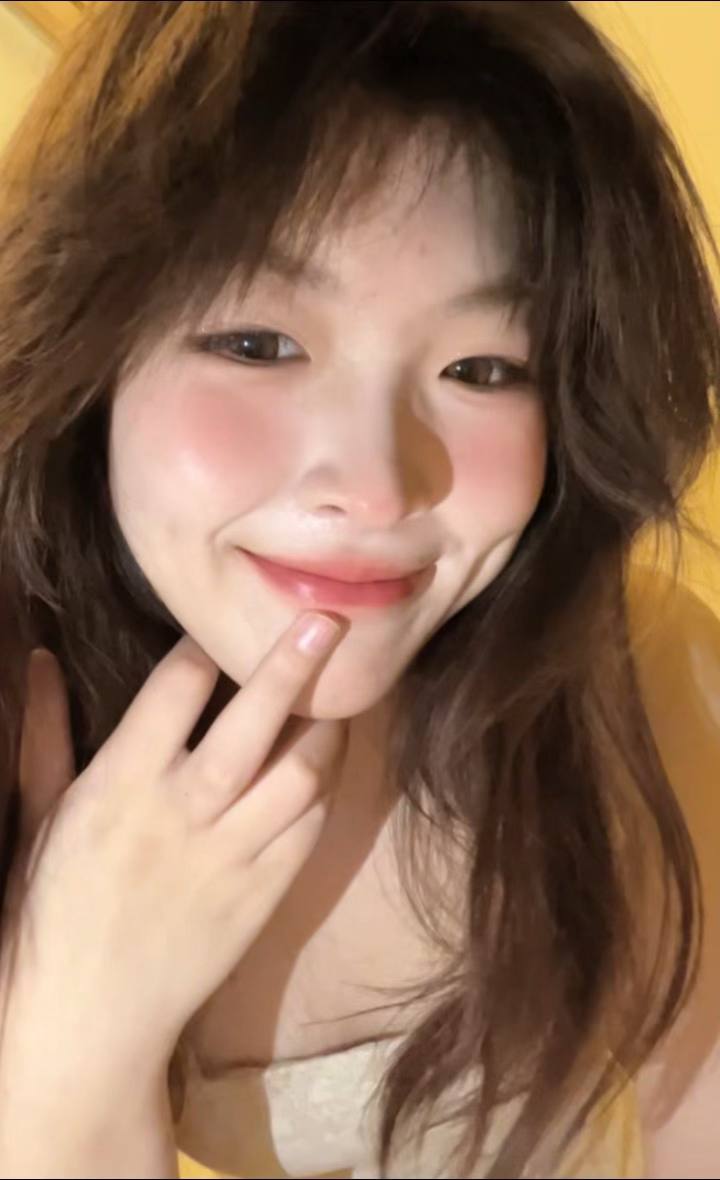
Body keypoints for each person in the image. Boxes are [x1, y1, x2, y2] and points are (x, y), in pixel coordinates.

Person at [0, 1, 718, 1176]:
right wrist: (75, 1049)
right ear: (86, 341)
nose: (381, 489)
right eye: (258, 343)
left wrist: (70, 1066)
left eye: (480, 367)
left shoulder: (634, 684)